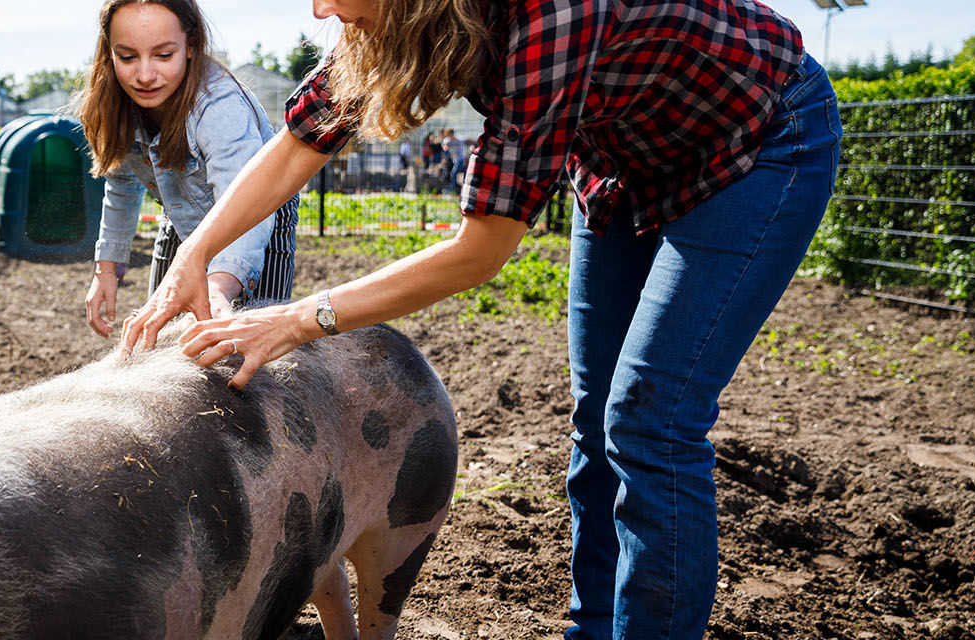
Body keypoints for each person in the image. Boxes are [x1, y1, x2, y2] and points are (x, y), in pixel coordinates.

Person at [118, 0, 835, 638]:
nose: (319, 9)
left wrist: (299, 320)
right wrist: (199, 250)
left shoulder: (547, 14)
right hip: (623, 163)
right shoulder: (400, 19)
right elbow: (303, 138)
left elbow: (481, 251)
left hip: (756, 143)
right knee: (597, 420)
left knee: (651, 422)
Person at [78, 0, 301, 338]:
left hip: (260, 214)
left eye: (163, 55)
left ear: (191, 46)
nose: (144, 75)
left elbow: (245, 199)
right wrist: (106, 269)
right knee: (160, 327)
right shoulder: (118, 106)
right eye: (127, 57)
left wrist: (218, 288)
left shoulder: (219, 107)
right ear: (108, 51)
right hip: (182, 211)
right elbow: (122, 185)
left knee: (251, 341)